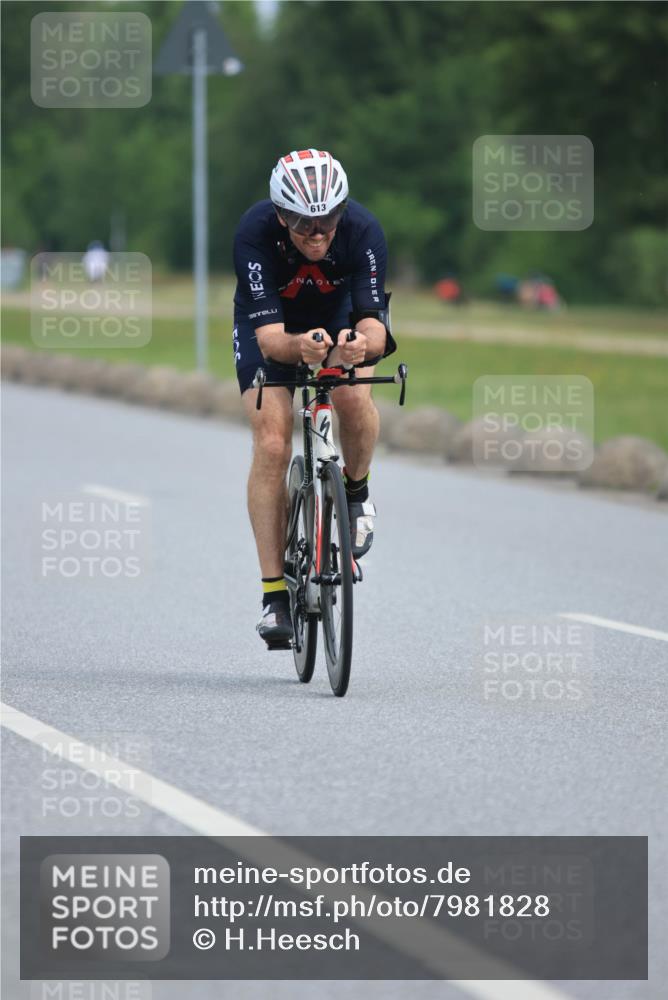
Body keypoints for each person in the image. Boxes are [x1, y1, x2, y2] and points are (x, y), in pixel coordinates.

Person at [232, 148, 395, 647]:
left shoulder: (363, 230)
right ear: (281, 216)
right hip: (273, 326)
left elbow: (373, 321)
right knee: (274, 443)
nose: (318, 231)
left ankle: (355, 492)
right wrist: (299, 348)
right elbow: (271, 340)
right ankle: (274, 596)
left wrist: (361, 345)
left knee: (352, 396)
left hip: (341, 314)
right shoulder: (254, 232)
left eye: (327, 217)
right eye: (304, 222)